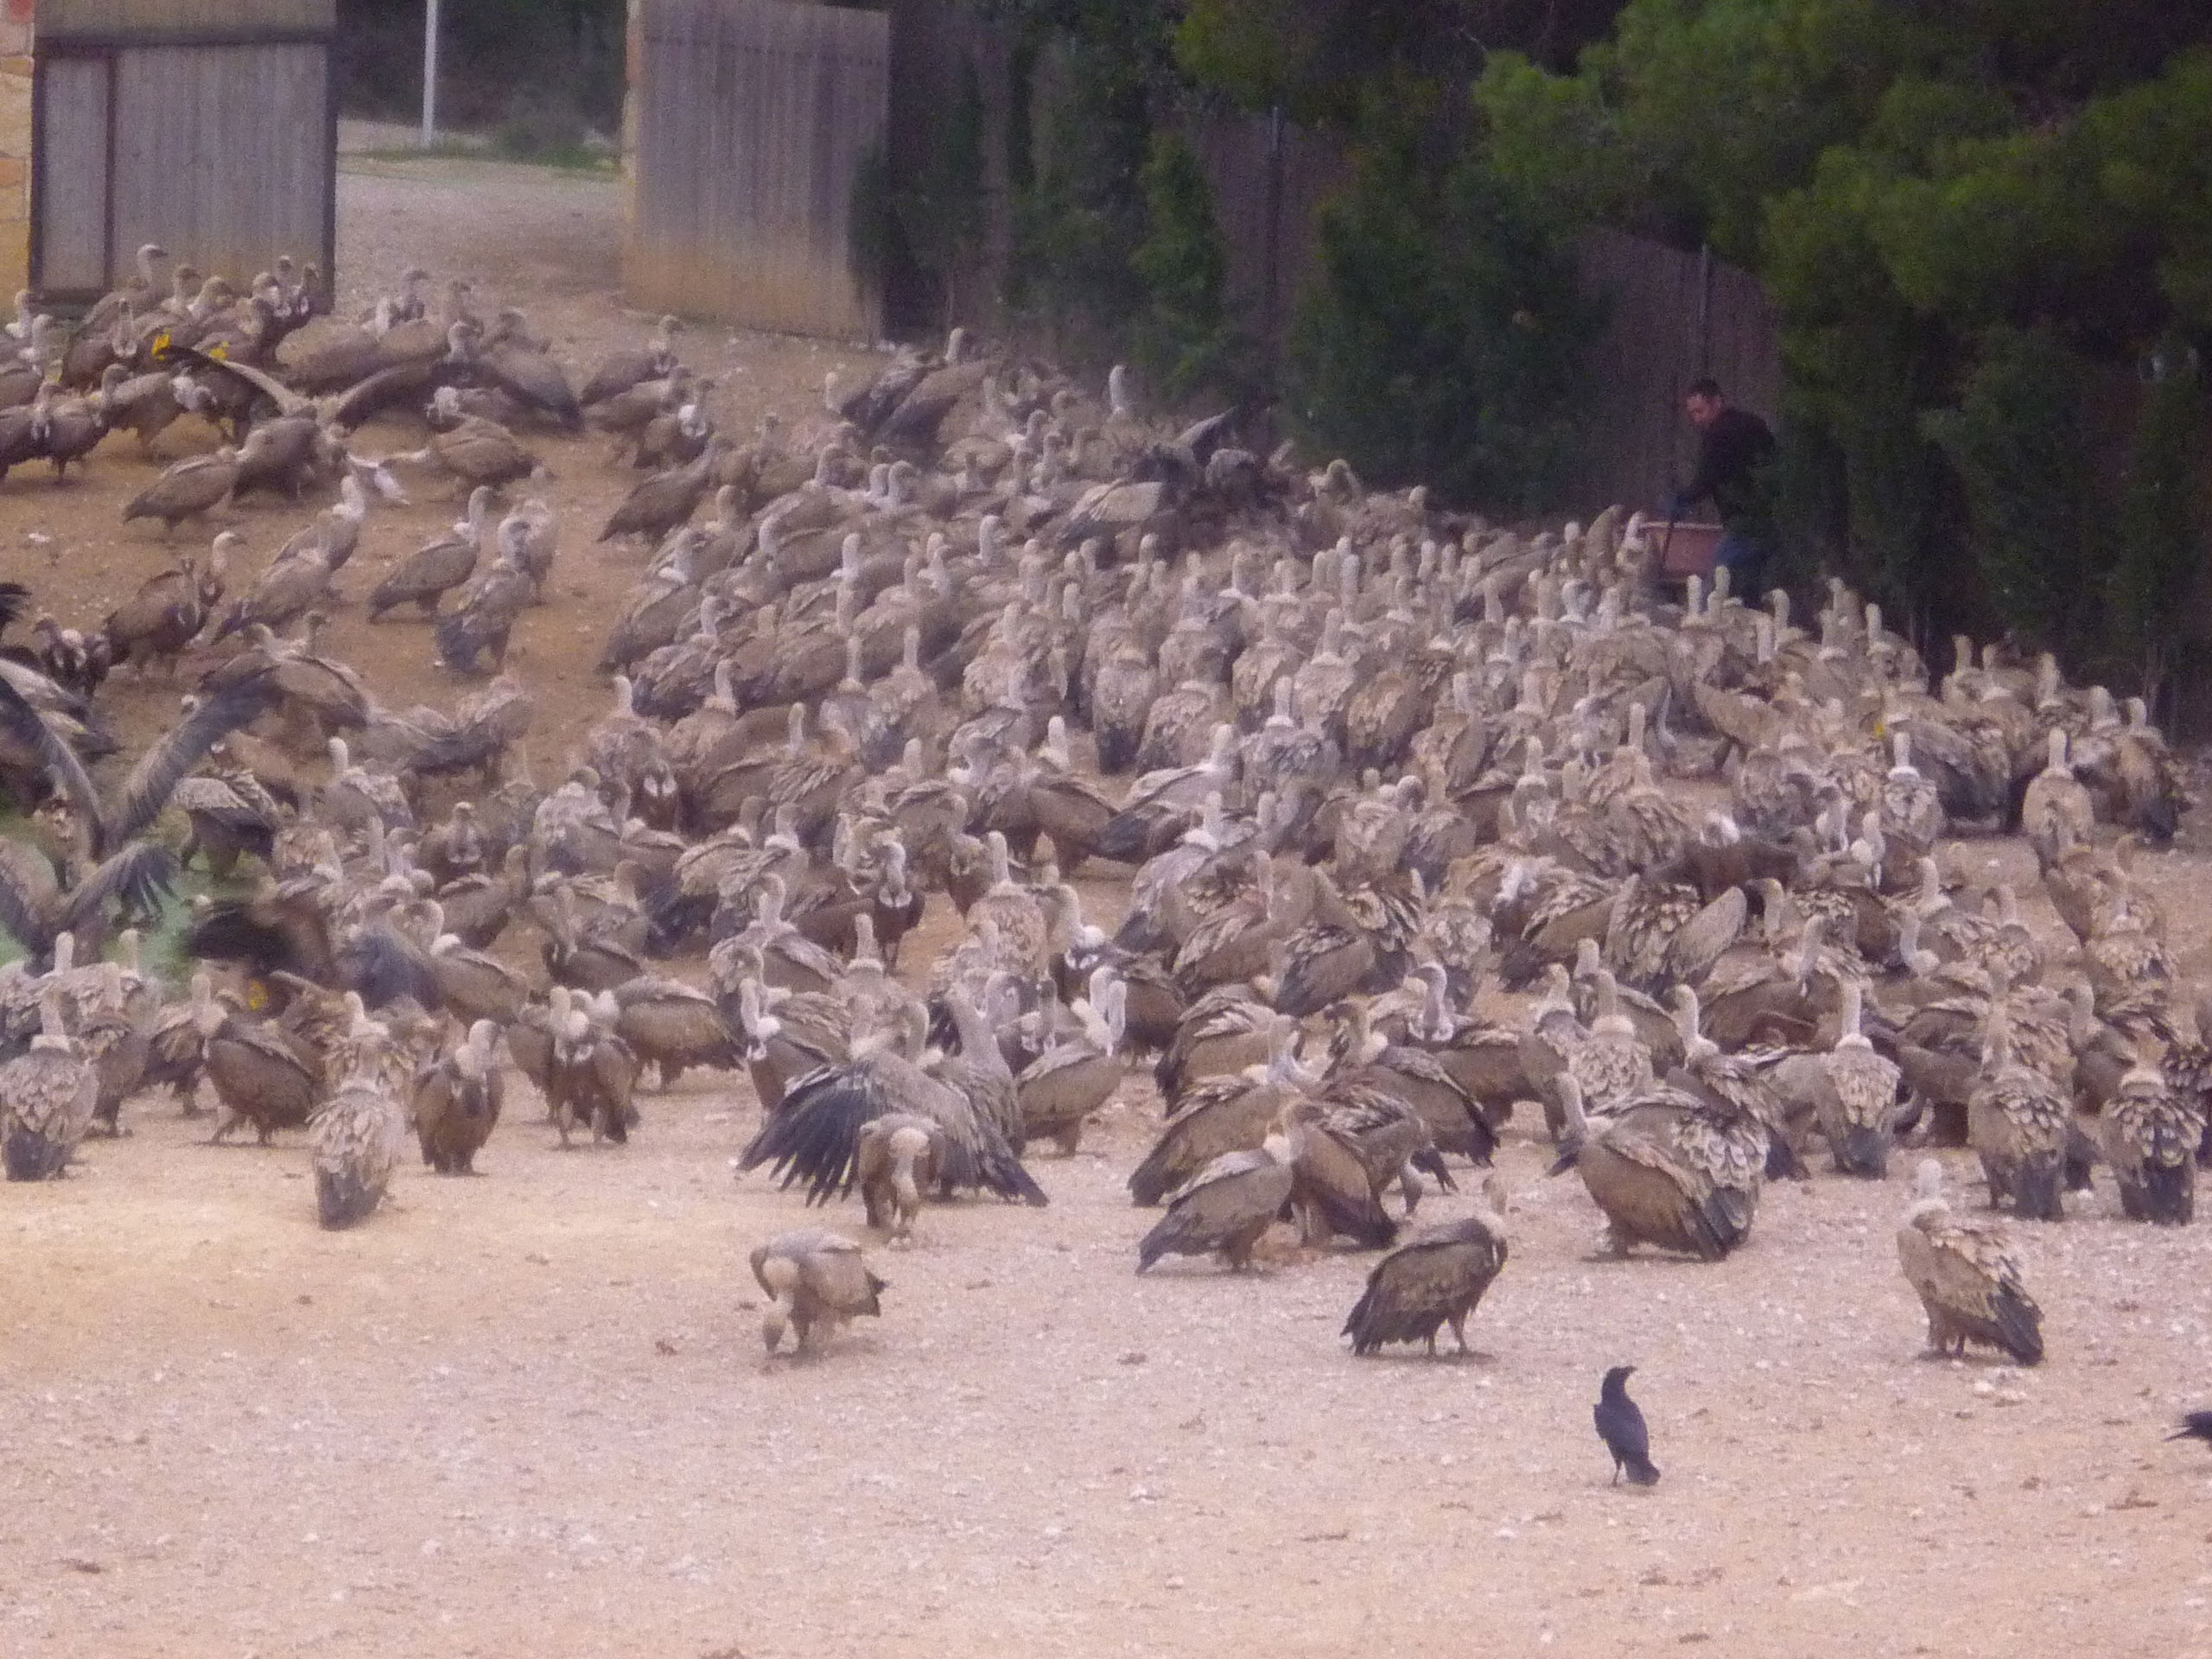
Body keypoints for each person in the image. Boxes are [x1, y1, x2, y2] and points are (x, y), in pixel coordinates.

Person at [1669, 377, 1777, 601]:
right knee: (1750, 586)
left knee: (1716, 582)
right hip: (1771, 518)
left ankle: (1705, 625)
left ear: (1717, 402)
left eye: (1700, 411)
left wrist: (1683, 500)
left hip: (1745, 521)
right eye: (1692, 414)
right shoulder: (1755, 424)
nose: (1697, 419)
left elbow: (1707, 478)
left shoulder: (1718, 434)